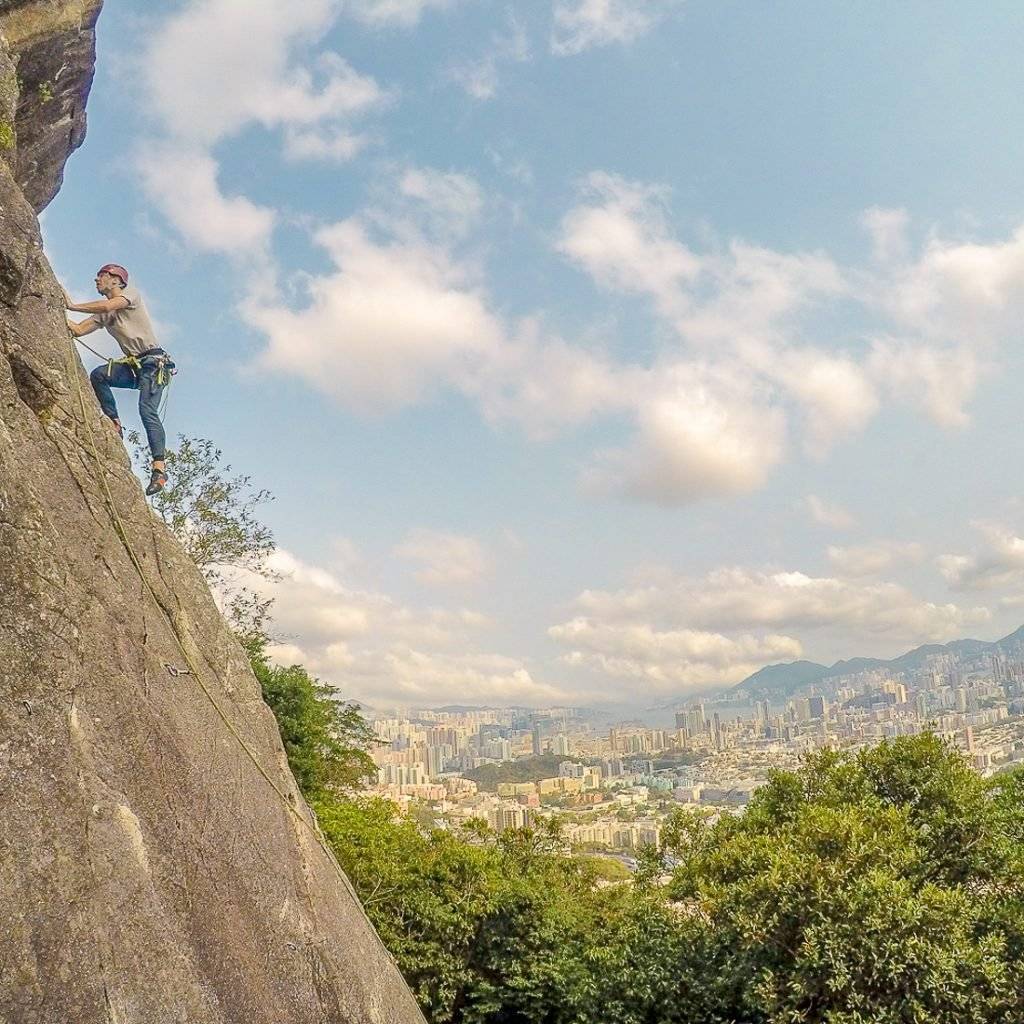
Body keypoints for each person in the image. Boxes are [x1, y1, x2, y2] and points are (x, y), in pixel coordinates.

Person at [65, 264, 171, 496]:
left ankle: (159, 469)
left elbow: (108, 304)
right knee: (99, 375)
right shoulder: (105, 314)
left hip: (153, 363)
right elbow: (79, 329)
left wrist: (71, 304)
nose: (96, 280)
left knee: (146, 411)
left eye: (101, 276)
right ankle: (115, 422)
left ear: (116, 280)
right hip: (135, 367)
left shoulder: (130, 294)